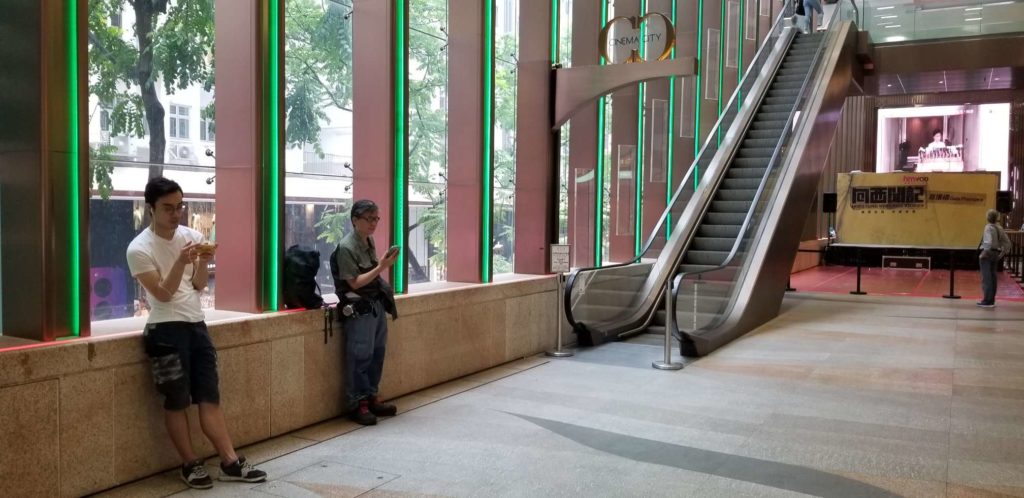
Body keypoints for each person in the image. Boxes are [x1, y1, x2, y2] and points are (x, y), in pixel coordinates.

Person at [127, 177, 267, 489]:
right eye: (168, 208)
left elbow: (200, 285)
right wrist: (179, 260)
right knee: (176, 400)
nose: (176, 214)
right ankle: (190, 463)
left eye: (179, 207)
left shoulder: (191, 235)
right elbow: (162, 294)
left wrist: (203, 261)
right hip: (164, 331)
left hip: (196, 326)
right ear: (151, 209)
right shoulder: (139, 248)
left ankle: (230, 460)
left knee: (209, 396)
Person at [333, 199, 399, 426]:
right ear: (355, 220)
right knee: (360, 356)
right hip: (359, 308)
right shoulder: (346, 247)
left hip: (375, 305)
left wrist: (381, 265)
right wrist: (382, 267)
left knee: (377, 353)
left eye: (376, 218)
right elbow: (354, 283)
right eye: (369, 219)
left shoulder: (367, 240)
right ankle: (357, 403)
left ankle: (372, 396)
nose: (373, 224)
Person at [977, 208, 1012, 308]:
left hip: (987, 254)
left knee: (986, 277)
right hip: (995, 253)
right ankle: (991, 300)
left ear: (987, 217)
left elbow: (987, 242)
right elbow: (1007, 243)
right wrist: (1001, 254)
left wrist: (983, 254)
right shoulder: (999, 228)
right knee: (993, 277)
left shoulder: (988, 227)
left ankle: (987, 300)